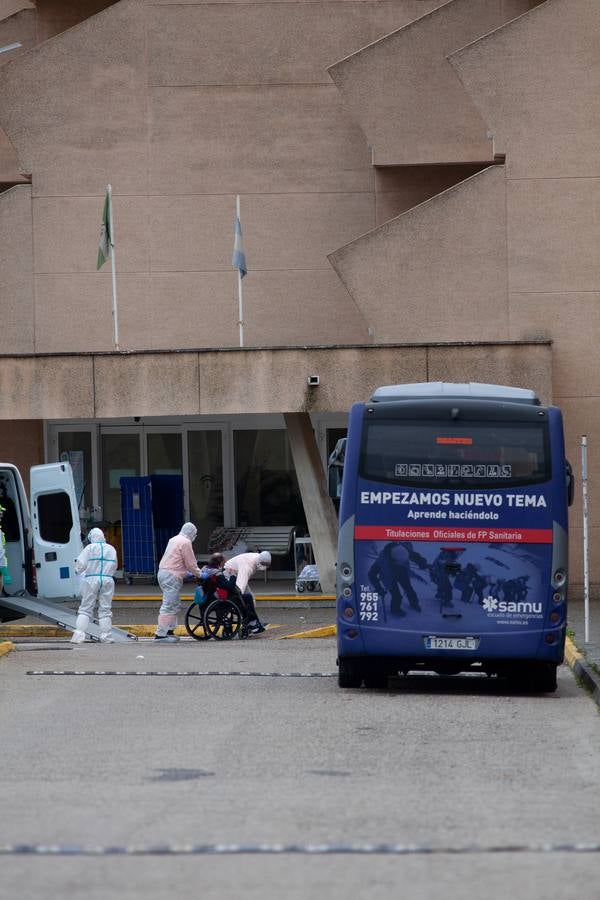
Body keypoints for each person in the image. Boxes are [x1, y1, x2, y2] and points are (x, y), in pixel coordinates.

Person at [154, 522, 202, 642]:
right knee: (169, 604)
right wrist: (199, 574)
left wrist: (187, 573)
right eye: (194, 534)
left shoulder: (173, 539)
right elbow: (190, 563)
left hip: (164, 573)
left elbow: (175, 560)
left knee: (174, 603)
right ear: (191, 533)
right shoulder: (185, 542)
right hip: (172, 576)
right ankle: (160, 635)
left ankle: (169, 631)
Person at [70, 527, 118, 643]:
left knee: (86, 608)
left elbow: (80, 565)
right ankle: (106, 636)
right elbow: (115, 566)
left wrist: (77, 571)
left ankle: (79, 636)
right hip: (107, 579)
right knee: (105, 609)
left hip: (91, 579)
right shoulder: (111, 549)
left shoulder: (89, 548)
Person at [223, 550, 271, 634]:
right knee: (244, 599)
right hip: (229, 575)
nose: (264, 567)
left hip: (234, 573)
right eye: (263, 564)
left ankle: (252, 622)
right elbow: (240, 588)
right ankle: (250, 623)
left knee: (251, 598)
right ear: (259, 562)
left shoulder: (257, 557)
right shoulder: (247, 567)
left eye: (266, 565)